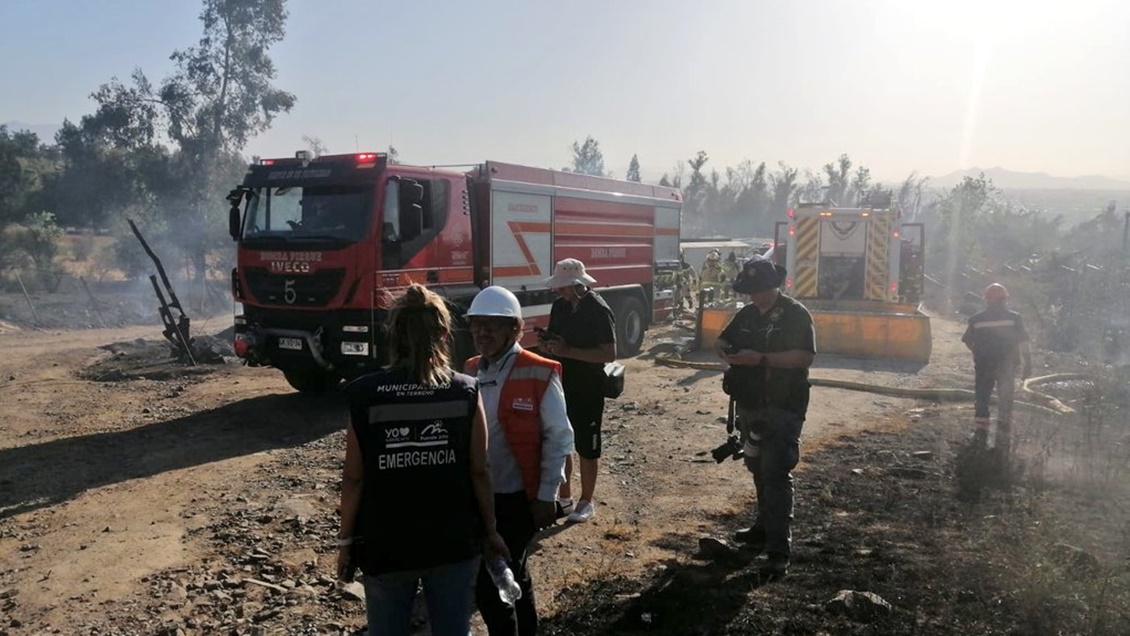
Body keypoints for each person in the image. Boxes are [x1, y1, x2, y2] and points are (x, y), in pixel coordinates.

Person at [337, 283, 509, 636]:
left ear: (394, 333)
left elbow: (354, 477)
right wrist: (490, 530)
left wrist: (345, 543)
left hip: (385, 543)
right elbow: (479, 470)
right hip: (453, 541)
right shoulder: (466, 390)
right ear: (444, 334)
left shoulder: (365, 393)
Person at [463, 286, 574, 636]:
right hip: (482, 497)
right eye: (477, 324)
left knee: (491, 587)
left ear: (515, 329)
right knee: (515, 574)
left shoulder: (539, 371)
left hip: (518, 498)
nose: (483, 332)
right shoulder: (470, 369)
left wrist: (546, 496)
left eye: (493, 325)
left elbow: (559, 437)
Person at [713, 256, 816, 580]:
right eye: (750, 290)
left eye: (759, 290)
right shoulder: (746, 314)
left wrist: (761, 359)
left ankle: (778, 550)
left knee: (775, 471)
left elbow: (804, 356)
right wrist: (725, 349)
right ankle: (762, 527)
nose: (754, 296)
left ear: (774, 285)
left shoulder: (795, 314)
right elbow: (722, 339)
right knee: (756, 465)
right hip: (750, 403)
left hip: (783, 405)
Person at [541, 258, 617, 524]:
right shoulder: (560, 306)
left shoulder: (598, 309)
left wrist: (568, 351)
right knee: (562, 439)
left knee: (587, 443)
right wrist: (549, 346)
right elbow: (557, 339)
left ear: (576, 285)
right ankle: (565, 499)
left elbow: (609, 353)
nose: (558, 290)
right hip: (562, 382)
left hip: (588, 385)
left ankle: (586, 501)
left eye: (562, 286)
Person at [962, 283, 1032, 455]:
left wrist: (977, 352)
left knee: (982, 398)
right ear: (1004, 299)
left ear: (987, 300)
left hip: (984, 365)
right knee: (1006, 399)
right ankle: (1003, 437)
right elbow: (1023, 342)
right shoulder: (1014, 318)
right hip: (1007, 366)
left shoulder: (976, 319)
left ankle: (980, 435)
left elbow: (967, 341)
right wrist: (1028, 364)